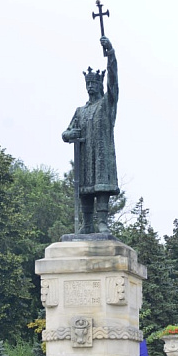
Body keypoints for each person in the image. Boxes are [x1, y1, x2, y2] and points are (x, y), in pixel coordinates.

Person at [61, 36, 120, 234]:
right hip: (86, 157)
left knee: (101, 186)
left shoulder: (107, 104)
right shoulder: (80, 111)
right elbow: (66, 132)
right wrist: (71, 133)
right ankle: (87, 224)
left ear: (100, 85)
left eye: (94, 83)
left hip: (102, 155)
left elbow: (113, 80)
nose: (91, 86)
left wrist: (110, 53)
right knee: (85, 187)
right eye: (88, 84)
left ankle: (102, 222)